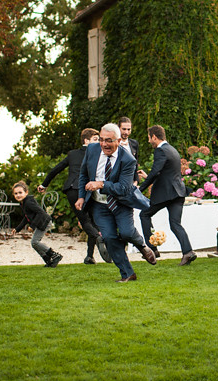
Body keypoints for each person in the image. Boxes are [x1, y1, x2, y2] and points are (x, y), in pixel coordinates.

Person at [77, 123, 156, 283]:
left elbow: (124, 188)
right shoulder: (92, 150)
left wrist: (101, 184)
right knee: (109, 237)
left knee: (127, 232)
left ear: (119, 140)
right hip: (99, 204)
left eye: (109, 140)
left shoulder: (128, 159)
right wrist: (81, 196)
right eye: (101, 140)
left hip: (121, 203)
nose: (104, 144)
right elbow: (83, 174)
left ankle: (141, 245)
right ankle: (127, 273)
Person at [38, 128, 109, 264]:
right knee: (90, 222)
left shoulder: (72, 154)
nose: (99, 142)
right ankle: (99, 239)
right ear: (86, 140)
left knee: (87, 222)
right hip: (86, 190)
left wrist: (44, 184)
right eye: (95, 139)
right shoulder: (97, 155)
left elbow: (56, 170)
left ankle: (90, 256)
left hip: (72, 189)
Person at [138, 125, 196, 266]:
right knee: (175, 224)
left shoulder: (160, 150)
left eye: (149, 138)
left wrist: (140, 188)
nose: (149, 141)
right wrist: (149, 177)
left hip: (166, 194)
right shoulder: (172, 149)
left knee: (144, 215)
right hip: (178, 193)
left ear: (154, 137)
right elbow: (166, 173)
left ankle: (152, 249)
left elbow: (156, 172)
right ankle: (188, 252)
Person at [12, 181, 62, 268]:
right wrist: (17, 229)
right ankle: (48, 260)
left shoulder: (28, 202)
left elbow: (40, 212)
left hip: (44, 222)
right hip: (40, 222)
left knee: (35, 242)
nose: (18, 195)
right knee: (34, 243)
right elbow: (26, 217)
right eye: (16, 193)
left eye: (20, 192)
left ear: (26, 192)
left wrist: (32, 226)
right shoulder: (23, 203)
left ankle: (54, 255)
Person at [118, 116, 140, 181]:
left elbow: (136, 163)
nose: (126, 132)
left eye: (128, 129)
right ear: (118, 128)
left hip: (130, 181)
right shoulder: (113, 143)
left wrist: (136, 180)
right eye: (124, 129)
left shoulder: (134, 143)